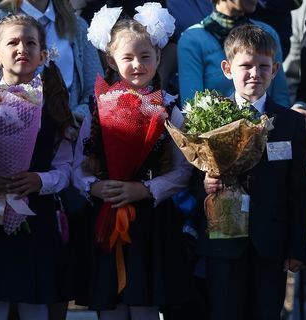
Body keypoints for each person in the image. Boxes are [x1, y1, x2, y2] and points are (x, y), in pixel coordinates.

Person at [73, 4, 196, 319]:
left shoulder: (171, 109)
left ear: (158, 56)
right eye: (128, 58)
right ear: (110, 60)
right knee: (111, 304)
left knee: (144, 304)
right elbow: (79, 165)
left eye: (145, 57)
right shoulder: (96, 108)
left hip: (151, 221)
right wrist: (96, 187)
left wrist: (145, 190)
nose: (138, 65)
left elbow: (183, 170)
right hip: (107, 213)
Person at [197, 24, 306, 320]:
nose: (254, 74)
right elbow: (191, 175)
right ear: (227, 68)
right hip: (224, 239)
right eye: (245, 65)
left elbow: (298, 189)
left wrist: (297, 246)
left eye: (263, 66)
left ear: (275, 70)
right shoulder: (209, 117)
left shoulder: (290, 123)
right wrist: (205, 182)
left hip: (269, 242)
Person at [0, 14, 74, 320]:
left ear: (43, 54)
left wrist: (39, 180)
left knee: (34, 304)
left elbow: (65, 168)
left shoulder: (54, 107)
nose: (22, 48)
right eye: (13, 42)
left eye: (31, 42)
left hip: (38, 217)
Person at [0, 0, 103, 123]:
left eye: (30, 43)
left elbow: (96, 90)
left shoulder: (77, 26)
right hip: (4, 128)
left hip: (70, 133)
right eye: (13, 43)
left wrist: (70, 120)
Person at [177, 0, 290, 107]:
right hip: (216, 127)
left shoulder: (268, 34)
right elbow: (192, 108)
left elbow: (281, 99)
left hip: (269, 124)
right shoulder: (192, 39)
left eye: (263, 66)